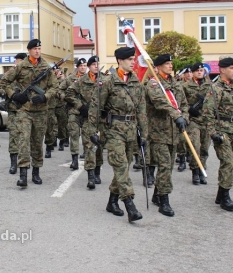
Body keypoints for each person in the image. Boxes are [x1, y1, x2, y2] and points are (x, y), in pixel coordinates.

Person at [88, 47, 148, 222]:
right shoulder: (108, 82)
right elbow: (95, 107)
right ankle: (130, 205)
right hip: (114, 130)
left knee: (124, 166)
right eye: (129, 59)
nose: (133, 62)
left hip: (131, 130)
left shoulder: (136, 81)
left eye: (133, 59)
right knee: (121, 166)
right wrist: (93, 131)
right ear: (120, 61)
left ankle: (111, 202)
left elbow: (142, 110)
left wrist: (144, 134)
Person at [1, 39, 58, 187]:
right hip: (24, 110)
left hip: (41, 112)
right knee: (23, 141)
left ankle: (36, 172)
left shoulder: (46, 67)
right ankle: (23, 174)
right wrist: (14, 95)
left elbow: (55, 87)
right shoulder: (21, 66)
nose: (37, 51)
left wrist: (45, 96)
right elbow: (4, 82)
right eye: (35, 49)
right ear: (29, 51)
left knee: (37, 143)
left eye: (39, 48)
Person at [146, 54, 189, 217]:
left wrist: (183, 117)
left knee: (169, 167)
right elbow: (160, 103)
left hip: (174, 133)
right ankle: (164, 201)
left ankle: (157, 194)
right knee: (164, 165)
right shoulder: (154, 84)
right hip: (159, 133)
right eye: (166, 64)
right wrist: (175, 115)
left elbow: (183, 105)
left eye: (171, 63)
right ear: (157, 67)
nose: (170, 66)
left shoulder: (176, 85)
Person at [203, 56, 233, 212]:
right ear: (222, 70)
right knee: (227, 162)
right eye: (231, 68)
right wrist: (213, 132)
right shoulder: (215, 88)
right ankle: (225, 197)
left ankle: (221, 193)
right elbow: (207, 112)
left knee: (232, 163)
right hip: (222, 130)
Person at [67, 55, 106, 189]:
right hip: (88, 119)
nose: (96, 66)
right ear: (89, 66)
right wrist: (80, 107)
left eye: (97, 64)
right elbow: (69, 93)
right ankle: (90, 177)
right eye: (94, 64)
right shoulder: (82, 80)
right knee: (89, 146)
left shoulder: (106, 79)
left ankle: (97, 172)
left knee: (99, 147)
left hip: (101, 119)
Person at [183, 63, 211, 185]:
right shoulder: (186, 86)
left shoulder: (210, 85)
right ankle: (195, 170)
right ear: (193, 72)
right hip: (193, 120)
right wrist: (189, 108)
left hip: (206, 120)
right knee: (195, 146)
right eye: (197, 70)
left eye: (201, 70)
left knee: (205, 148)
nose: (200, 72)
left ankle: (202, 170)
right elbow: (181, 102)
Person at [0, 53, 27, 174]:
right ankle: (13, 164)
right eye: (17, 61)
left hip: (26, 110)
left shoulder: (29, 74)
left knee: (25, 138)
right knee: (14, 137)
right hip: (13, 111)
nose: (17, 63)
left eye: (20, 61)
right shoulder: (10, 73)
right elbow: (1, 87)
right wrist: (10, 94)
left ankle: (24, 162)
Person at [62, 58, 87, 170]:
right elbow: (60, 90)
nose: (83, 67)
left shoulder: (90, 78)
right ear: (77, 66)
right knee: (74, 135)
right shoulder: (70, 79)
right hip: (74, 111)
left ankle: (87, 155)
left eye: (85, 65)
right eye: (81, 65)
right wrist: (66, 98)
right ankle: (74, 160)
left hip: (86, 111)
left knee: (88, 136)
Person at [44, 68, 58, 158]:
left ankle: (49, 147)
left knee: (49, 128)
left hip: (49, 106)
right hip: (36, 106)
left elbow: (55, 89)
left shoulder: (52, 79)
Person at [54, 69, 68, 151]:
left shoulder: (63, 82)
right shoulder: (51, 81)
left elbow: (65, 91)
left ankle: (62, 141)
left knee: (62, 125)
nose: (59, 73)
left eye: (59, 72)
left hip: (61, 106)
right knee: (52, 125)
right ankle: (53, 140)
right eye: (57, 72)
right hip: (52, 106)